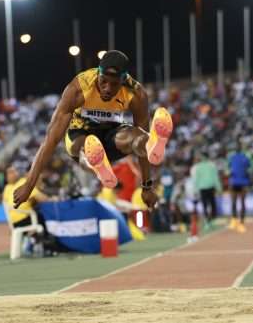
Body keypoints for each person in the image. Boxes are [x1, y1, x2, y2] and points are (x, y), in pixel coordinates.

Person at [13, 50, 172, 211]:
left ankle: (152, 143)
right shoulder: (79, 88)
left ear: (123, 81)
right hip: (80, 133)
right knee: (86, 146)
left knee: (139, 138)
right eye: (103, 81)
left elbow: (142, 152)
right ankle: (97, 166)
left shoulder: (136, 93)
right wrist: (29, 184)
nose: (107, 89)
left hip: (113, 135)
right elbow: (51, 140)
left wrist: (147, 186)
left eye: (114, 84)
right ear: (98, 74)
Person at [190, 151, 221, 227]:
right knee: (212, 204)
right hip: (210, 187)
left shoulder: (198, 167)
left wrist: (195, 190)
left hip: (203, 188)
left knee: (205, 205)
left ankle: (208, 221)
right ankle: (211, 220)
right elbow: (216, 178)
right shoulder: (211, 165)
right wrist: (219, 188)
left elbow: (196, 179)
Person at [227, 144, 253, 233]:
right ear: (241, 150)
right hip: (243, 182)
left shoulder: (231, 157)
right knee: (242, 203)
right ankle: (241, 223)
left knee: (233, 201)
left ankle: (234, 220)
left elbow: (228, 167)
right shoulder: (245, 157)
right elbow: (250, 167)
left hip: (234, 182)